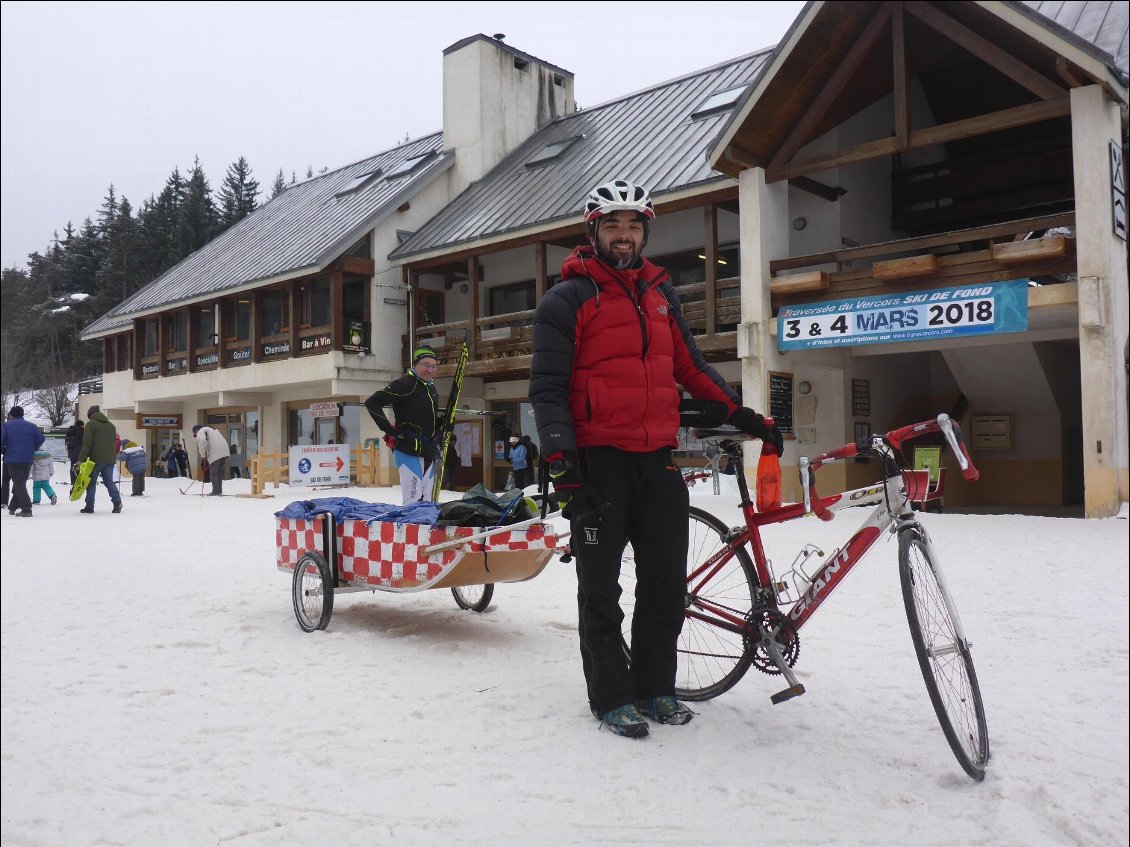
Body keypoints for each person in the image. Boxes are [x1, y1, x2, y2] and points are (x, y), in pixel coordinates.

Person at [530, 178, 779, 738]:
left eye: (633, 224)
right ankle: (613, 697)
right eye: (613, 224)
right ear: (593, 230)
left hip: (657, 458)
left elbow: (690, 367)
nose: (624, 234)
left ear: (644, 231)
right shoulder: (566, 300)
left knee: (666, 584)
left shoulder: (660, 296)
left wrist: (743, 416)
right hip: (598, 461)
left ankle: (656, 687)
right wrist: (563, 466)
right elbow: (547, 389)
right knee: (601, 589)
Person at [364, 345, 444, 504]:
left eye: (434, 366)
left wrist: (442, 425)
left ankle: (425, 529)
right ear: (415, 365)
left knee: (427, 501)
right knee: (413, 500)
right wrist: (389, 430)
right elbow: (372, 402)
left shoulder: (431, 388)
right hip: (408, 451)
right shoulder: (405, 384)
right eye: (426, 365)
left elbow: (426, 418)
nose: (430, 370)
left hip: (428, 451)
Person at [77, 405, 122, 514]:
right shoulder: (111, 426)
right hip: (110, 459)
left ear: (90, 415)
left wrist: (80, 459)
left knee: (91, 483)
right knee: (109, 481)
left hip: (95, 460)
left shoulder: (91, 425)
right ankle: (117, 502)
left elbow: (87, 444)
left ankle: (89, 506)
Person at [1, 406, 45, 517]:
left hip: (12, 459)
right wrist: (32, 448)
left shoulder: (6, 426)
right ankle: (12, 507)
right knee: (20, 483)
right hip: (27, 459)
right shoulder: (32, 426)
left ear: (12, 415)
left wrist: (5, 451)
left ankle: (26, 509)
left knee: (19, 484)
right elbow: (41, 439)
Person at [192, 424, 230, 495]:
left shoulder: (201, 431)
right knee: (218, 472)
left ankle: (215, 491)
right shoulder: (213, 430)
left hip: (216, 452)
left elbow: (202, 441)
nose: (196, 435)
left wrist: (203, 454)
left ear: (196, 431)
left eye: (195, 434)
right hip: (225, 451)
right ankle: (219, 490)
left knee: (213, 473)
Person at [64, 419, 85, 484]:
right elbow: (84, 442)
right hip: (79, 452)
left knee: (73, 466)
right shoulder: (81, 431)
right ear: (81, 425)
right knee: (81, 467)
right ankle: (80, 481)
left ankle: (73, 481)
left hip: (71, 452)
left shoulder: (70, 431)